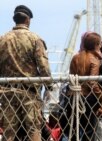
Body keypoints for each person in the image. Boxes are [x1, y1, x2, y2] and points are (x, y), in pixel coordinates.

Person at [0, 5, 51, 141]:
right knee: (33, 128)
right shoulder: (35, 39)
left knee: (9, 130)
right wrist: (49, 86)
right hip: (29, 92)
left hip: (7, 91)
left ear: (14, 20)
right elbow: (43, 66)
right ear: (28, 20)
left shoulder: (2, 39)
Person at [69, 32, 102, 140]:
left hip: (73, 96)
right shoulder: (94, 60)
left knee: (74, 128)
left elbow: (71, 77)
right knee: (89, 130)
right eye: (100, 44)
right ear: (96, 45)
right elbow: (92, 82)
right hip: (88, 98)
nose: (101, 46)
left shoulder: (75, 57)